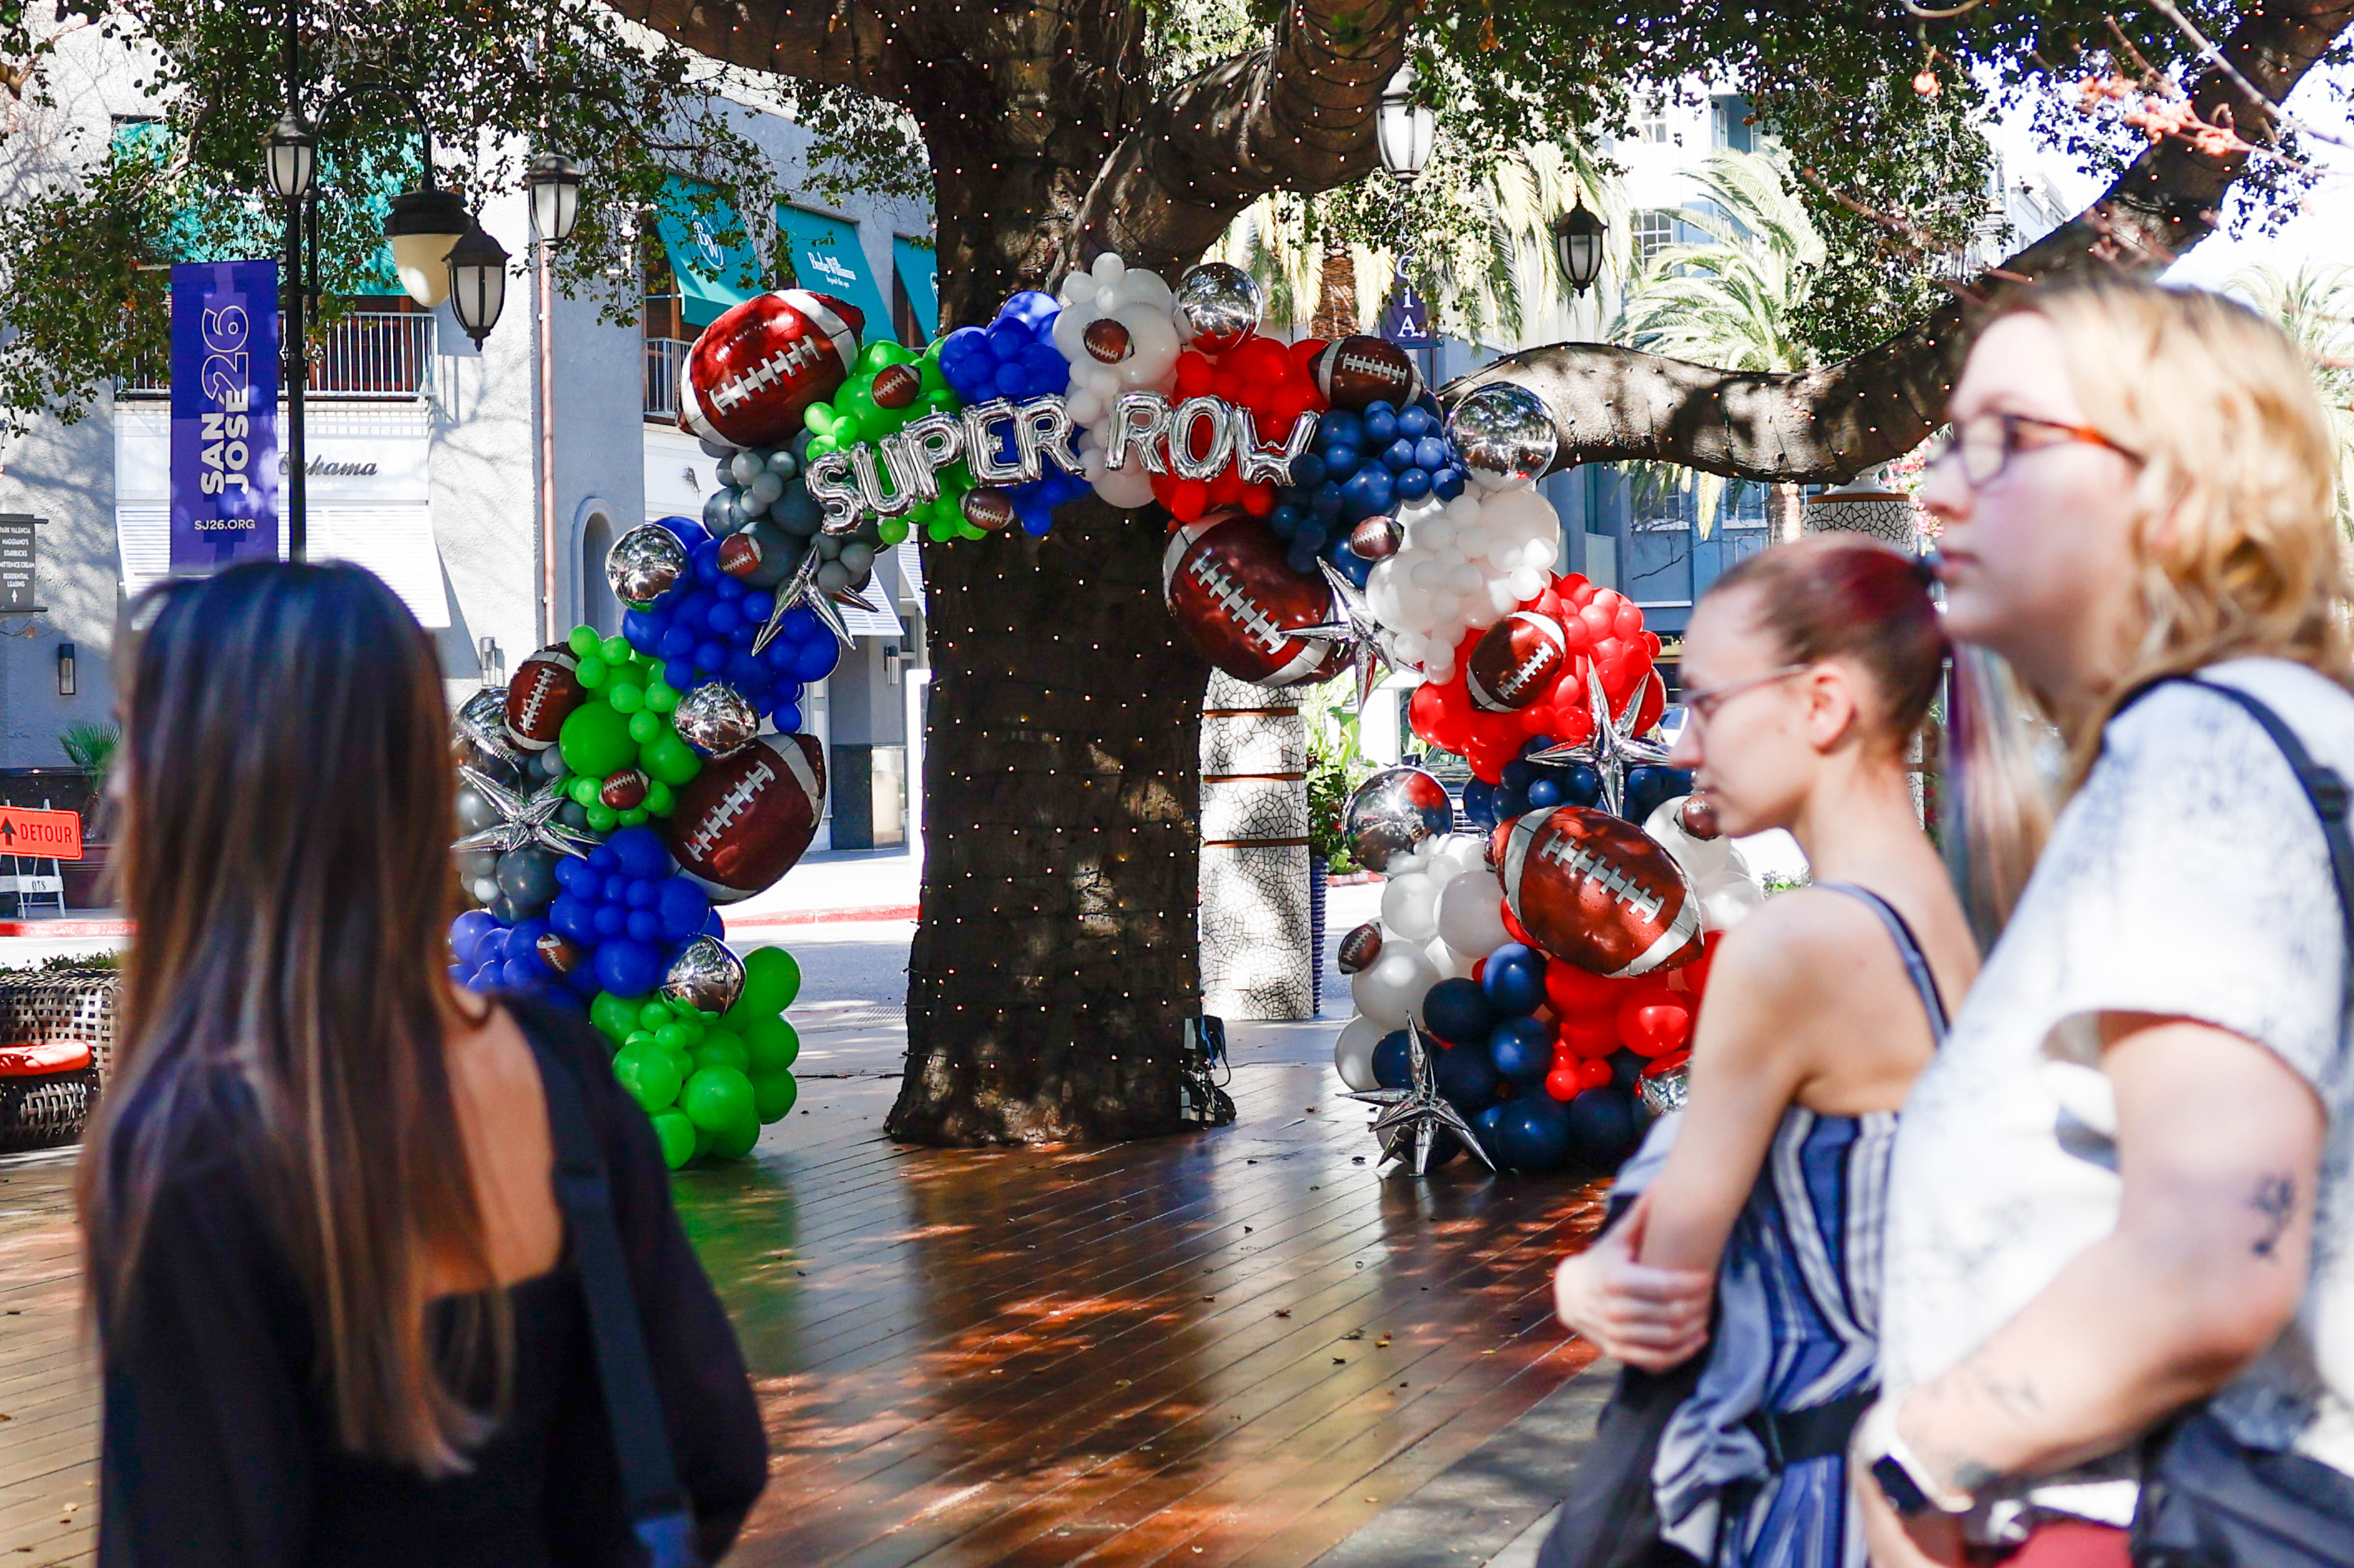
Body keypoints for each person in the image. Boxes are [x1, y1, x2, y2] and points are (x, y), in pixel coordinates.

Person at [79, 563, 769, 1566]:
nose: (115, 790)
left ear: (207, 791)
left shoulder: (192, 1147)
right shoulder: (558, 1075)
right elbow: (714, 1458)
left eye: (138, 742)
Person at [1856, 278, 2354, 1566]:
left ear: (2184, 487)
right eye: (1948, 441)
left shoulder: (2200, 753)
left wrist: (1918, 1453)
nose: (1941, 491)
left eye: (2007, 439)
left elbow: (2202, 1265)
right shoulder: (2279, 735)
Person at [1549, 536, 1981, 1568]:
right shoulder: (1947, 917)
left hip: (1808, 1500)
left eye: (1704, 703)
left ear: (1823, 705)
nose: (1685, 743)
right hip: (1911, 1484)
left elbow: (1659, 1288)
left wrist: (1580, 1284)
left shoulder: (1796, 947)